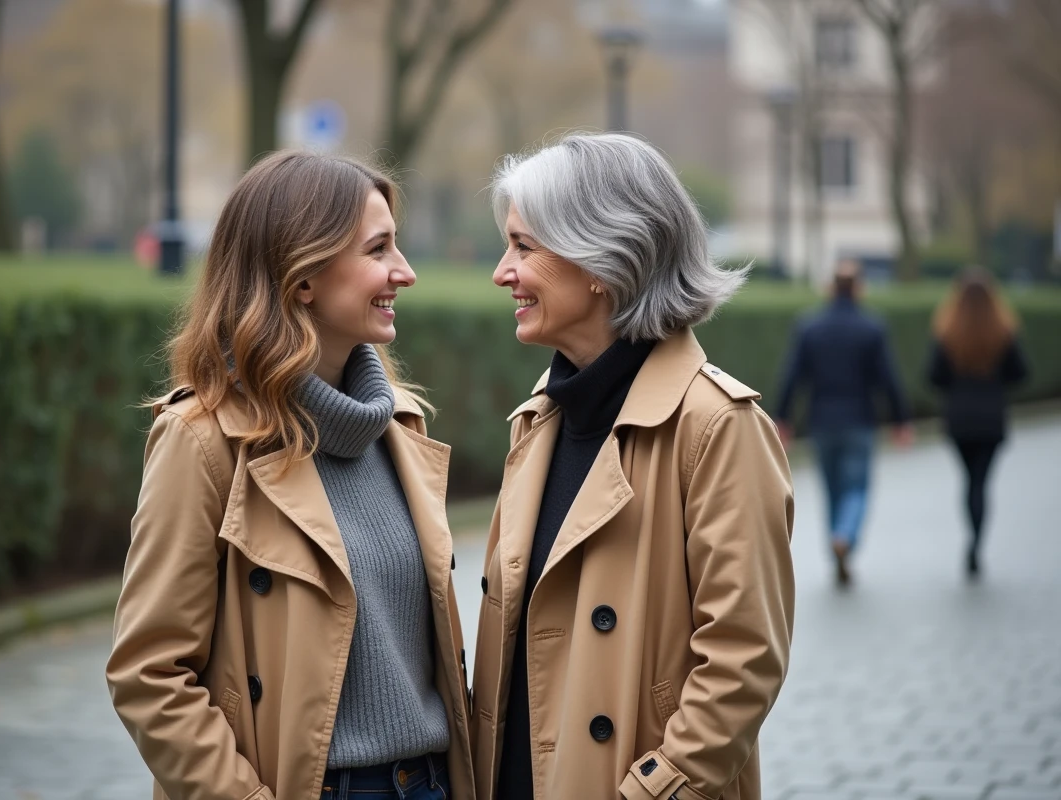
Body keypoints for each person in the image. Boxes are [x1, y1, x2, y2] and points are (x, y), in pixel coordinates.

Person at [106, 151, 474, 800]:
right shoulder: (204, 439)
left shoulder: (401, 428)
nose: (405, 272)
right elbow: (149, 672)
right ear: (303, 277)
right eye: (379, 248)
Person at [469, 132, 795, 800]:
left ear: (601, 259)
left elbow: (743, 658)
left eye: (523, 246)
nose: (503, 272)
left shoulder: (718, 427)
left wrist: (655, 788)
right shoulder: (539, 419)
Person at [775, 261, 913, 586]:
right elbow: (888, 379)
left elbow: (791, 376)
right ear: (859, 288)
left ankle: (837, 545)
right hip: (860, 421)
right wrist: (901, 420)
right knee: (857, 488)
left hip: (822, 422)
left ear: (830, 287)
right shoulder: (872, 327)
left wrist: (783, 419)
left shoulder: (809, 326)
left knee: (833, 490)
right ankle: (844, 537)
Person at [927, 267, 1029, 578]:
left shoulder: (947, 331)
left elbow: (934, 376)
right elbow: (1020, 373)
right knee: (981, 482)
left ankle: (972, 538)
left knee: (969, 480)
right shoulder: (1003, 331)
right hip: (991, 417)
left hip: (960, 417)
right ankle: (976, 541)